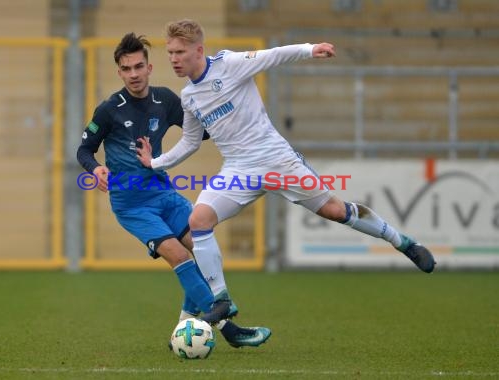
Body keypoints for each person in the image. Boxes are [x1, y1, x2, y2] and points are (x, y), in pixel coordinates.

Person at [137, 19, 436, 275]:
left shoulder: (229, 65)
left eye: (180, 52)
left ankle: (404, 243)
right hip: (238, 170)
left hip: (277, 160)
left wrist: (310, 50)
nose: (174, 59)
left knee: (335, 210)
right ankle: (221, 301)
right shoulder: (188, 96)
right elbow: (190, 141)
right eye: (170, 53)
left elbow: (274, 55)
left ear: (198, 50)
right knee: (198, 220)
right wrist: (156, 163)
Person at [76, 32, 271, 348]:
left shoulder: (165, 100)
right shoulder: (109, 109)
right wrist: (95, 168)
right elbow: (84, 150)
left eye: (139, 66)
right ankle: (230, 331)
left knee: (201, 246)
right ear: (119, 72)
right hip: (131, 205)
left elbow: (201, 132)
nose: (134, 74)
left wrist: (229, 112)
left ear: (149, 68)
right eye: (127, 69)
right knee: (178, 254)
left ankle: (183, 326)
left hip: (164, 194)